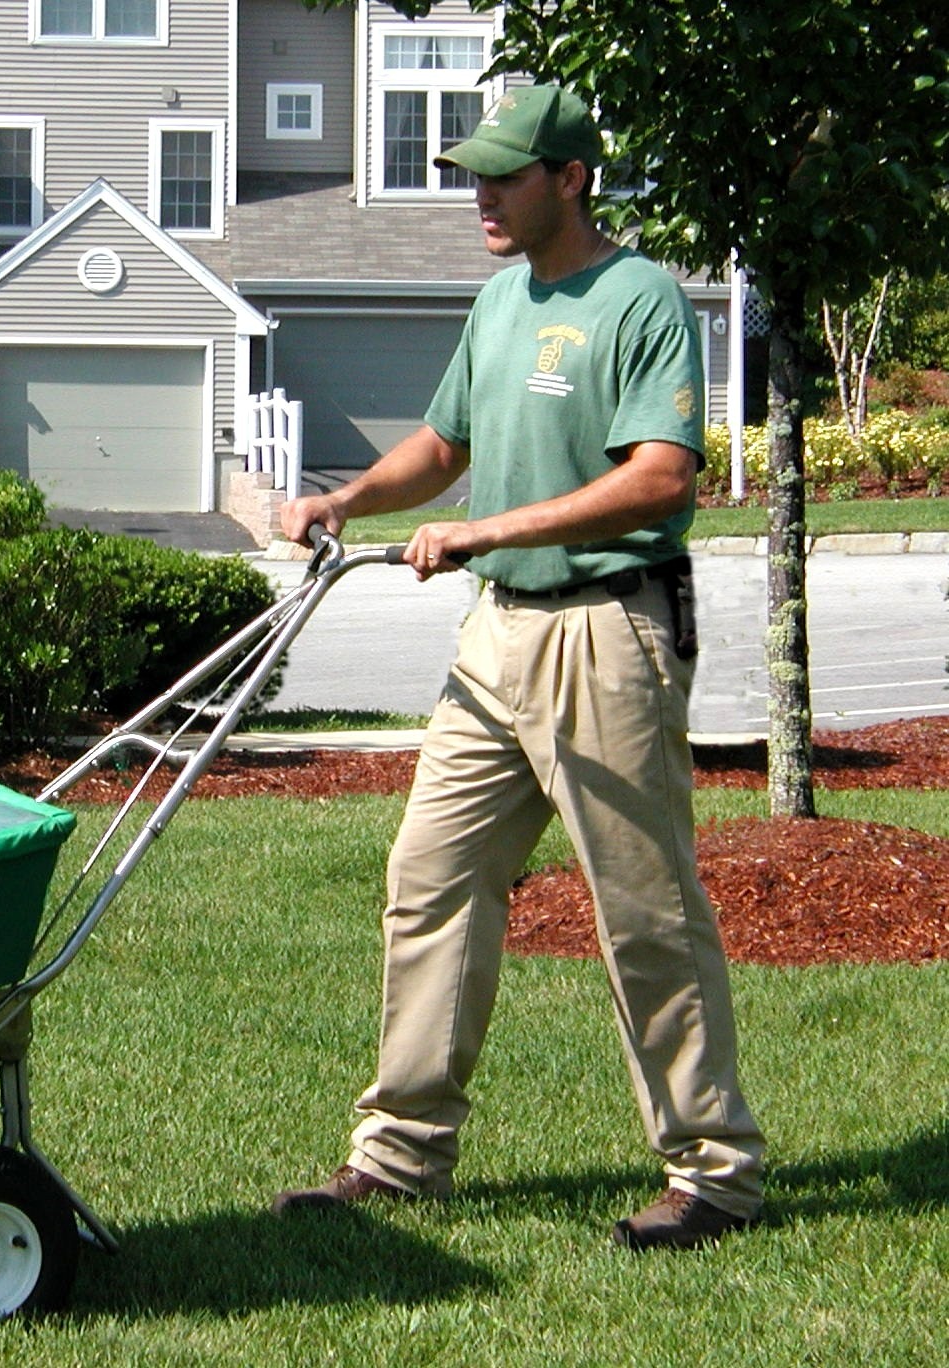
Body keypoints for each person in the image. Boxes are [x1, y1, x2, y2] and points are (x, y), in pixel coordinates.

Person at [271, 85, 765, 1251]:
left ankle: (715, 1170)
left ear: (571, 178)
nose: (479, 196)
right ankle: (400, 1154)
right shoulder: (499, 303)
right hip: (495, 639)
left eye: (502, 175)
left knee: (642, 911)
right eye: (474, 175)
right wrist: (345, 498)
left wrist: (489, 532)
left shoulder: (637, 298)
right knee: (428, 877)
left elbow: (659, 478)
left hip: (608, 634)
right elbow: (445, 446)